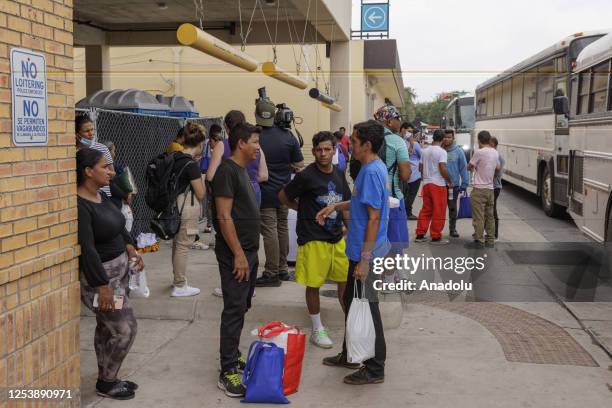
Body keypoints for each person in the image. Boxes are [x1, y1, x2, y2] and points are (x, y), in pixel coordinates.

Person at [317, 120, 390, 385]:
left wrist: (365, 260)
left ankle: (375, 368)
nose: (350, 146)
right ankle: (350, 353)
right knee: (351, 301)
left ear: (367, 145)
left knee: (368, 308)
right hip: (359, 249)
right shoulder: (370, 168)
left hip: (365, 252)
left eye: (355, 142)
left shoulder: (371, 171)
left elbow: (373, 217)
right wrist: (335, 206)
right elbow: (359, 202)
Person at [77, 148, 144, 400]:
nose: (111, 172)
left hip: (119, 277)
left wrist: (130, 247)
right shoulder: (81, 206)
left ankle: (107, 377)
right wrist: (102, 286)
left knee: (106, 329)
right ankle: (107, 381)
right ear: (88, 171)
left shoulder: (101, 196)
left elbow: (117, 225)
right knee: (125, 328)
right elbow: (88, 249)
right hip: (100, 283)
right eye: (105, 167)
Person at [279, 131, 351, 349]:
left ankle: (352, 324)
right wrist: (302, 210)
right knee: (314, 284)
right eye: (319, 150)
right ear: (313, 151)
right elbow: (283, 196)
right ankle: (317, 328)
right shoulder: (306, 176)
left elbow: (345, 203)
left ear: (334, 150)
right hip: (312, 237)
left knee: (344, 283)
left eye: (327, 149)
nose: (323, 153)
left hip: (337, 238)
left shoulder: (339, 174)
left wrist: (350, 228)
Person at [212, 123, 262, 397]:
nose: (258, 147)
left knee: (242, 304)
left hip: (250, 252)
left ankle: (233, 353)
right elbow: (223, 216)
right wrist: (239, 254)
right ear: (241, 143)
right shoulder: (226, 171)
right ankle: (227, 370)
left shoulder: (242, 171)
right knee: (233, 308)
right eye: (255, 142)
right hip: (236, 254)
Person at [256, 97, 304, 287]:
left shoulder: (255, 136)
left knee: (269, 231)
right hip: (285, 191)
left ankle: (271, 272)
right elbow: (299, 164)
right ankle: (283, 268)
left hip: (265, 191)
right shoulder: (288, 136)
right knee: (282, 228)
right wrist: (287, 165)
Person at [373, 105, 410, 283]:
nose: (400, 122)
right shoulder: (397, 141)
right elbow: (405, 174)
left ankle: (376, 275)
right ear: (389, 121)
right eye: (397, 118)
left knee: (374, 238)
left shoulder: (367, 139)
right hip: (393, 199)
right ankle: (388, 280)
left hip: (371, 197)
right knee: (393, 241)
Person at [170, 123, 206, 297]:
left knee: (177, 244)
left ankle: (177, 279)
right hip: (187, 207)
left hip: (174, 206)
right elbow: (200, 193)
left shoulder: (174, 157)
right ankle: (180, 285)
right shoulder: (191, 165)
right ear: (200, 144)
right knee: (184, 245)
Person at [415, 129, 453, 244]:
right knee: (439, 210)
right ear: (442, 139)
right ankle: (436, 236)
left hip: (426, 184)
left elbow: (420, 168)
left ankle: (420, 234)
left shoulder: (425, 151)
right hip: (438, 184)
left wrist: (425, 178)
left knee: (426, 210)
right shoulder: (442, 152)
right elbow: (443, 168)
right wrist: (449, 181)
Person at [466, 131, 500, 249]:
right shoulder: (495, 153)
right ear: (489, 140)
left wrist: (471, 167)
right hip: (490, 189)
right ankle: (490, 240)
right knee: (489, 216)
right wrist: (492, 177)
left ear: (479, 140)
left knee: (479, 216)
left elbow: (470, 166)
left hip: (479, 189)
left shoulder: (479, 152)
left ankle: (479, 240)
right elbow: (497, 168)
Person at [76, 113, 115, 197]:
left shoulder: (102, 148)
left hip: (104, 196)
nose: (91, 134)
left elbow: (112, 173)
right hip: (84, 196)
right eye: (86, 131)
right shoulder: (72, 152)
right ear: (77, 134)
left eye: (92, 130)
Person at [442, 129, 469, 238]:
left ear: (453, 139)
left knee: (452, 208)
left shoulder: (458, 151)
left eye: (449, 137)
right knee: (438, 208)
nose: (447, 139)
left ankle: (452, 229)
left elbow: (463, 168)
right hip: (439, 185)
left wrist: (465, 183)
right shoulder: (439, 150)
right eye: (445, 137)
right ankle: (436, 230)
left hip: (453, 186)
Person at [401, 122, 422, 220]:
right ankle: (407, 212)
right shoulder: (413, 144)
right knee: (411, 194)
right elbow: (421, 156)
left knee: (406, 194)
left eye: (411, 132)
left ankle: (405, 211)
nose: (410, 134)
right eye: (408, 131)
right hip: (412, 174)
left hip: (406, 173)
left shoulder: (400, 142)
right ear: (402, 130)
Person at [491, 136, 504, 240]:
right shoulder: (492, 155)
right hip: (492, 186)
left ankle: (495, 234)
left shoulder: (497, 156)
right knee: (489, 209)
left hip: (494, 187)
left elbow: (497, 172)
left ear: (494, 145)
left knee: (492, 209)